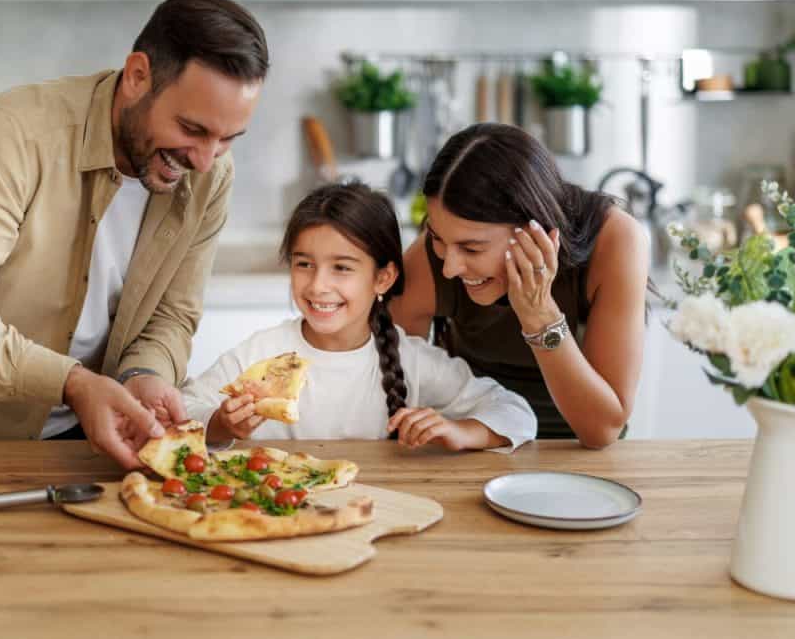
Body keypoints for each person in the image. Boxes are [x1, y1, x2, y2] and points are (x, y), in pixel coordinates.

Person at [0, 0, 269, 469]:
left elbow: (171, 315)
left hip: (84, 442)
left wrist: (145, 375)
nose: (203, 158)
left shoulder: (211, 172)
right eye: (191, 129)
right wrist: (72, 383)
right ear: (138, 77)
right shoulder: (10, 137)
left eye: (227, 139)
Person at [181, 182, 537, 451]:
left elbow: (516, 412)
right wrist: (220, 425)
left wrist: (459, 430)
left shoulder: (411, 360)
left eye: (342, 268)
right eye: (304, 264)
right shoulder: (261, 352)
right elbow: (181, 407)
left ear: (383, 277)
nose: (318, 285)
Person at [390, 123, 649, 448]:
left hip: (580, 456)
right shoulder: (432, 257)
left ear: (535, 230)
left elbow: (601, 431)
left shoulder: (616, 241)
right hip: (478, 448)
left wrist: (539, 315)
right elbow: (393, 390)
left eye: (472, 249)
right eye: (437, 237)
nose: (450, 267)